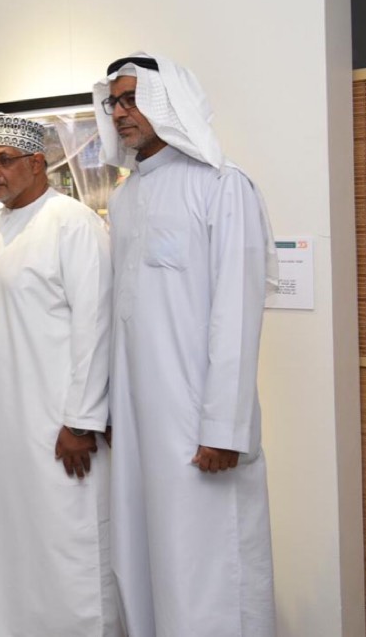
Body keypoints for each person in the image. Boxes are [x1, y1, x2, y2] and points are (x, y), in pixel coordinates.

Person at [96, 53, 278, 636]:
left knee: (208, 560)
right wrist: (111, 408)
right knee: (144, 554)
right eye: (114, 102)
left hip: (199, 422)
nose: (120, 113)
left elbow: (237, 313)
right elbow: (121, 316)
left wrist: (224, 427)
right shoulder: (125, 198)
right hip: (138, 420)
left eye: (132, 99)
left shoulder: (222, 184)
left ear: (168, 100)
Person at [0, 114, 119, 636]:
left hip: (50, 417)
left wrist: (81, 421)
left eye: (4, 161)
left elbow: (96, 326)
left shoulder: (73, 223)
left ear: (38, 164)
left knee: (57, 530)